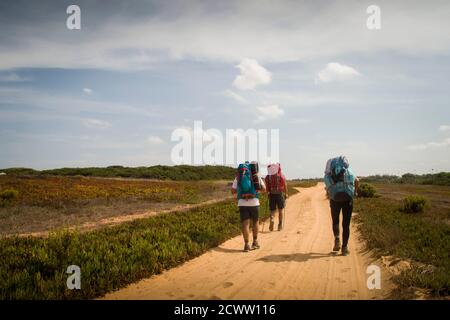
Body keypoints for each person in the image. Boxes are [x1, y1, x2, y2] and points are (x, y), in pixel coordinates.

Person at [324, 156, 359, 256]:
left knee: (335, 220)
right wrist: (355, 192)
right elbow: (357, 181)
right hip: (348, 199)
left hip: (334, 199)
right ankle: (344, 248)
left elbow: (327, 186)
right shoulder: (349, 171)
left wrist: (329, 193)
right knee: (346, 224)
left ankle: (337, 239)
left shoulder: (329, 174)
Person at [231, 162, 266, 252]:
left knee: (245, 224)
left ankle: (246, 245)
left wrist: (239, 194)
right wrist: (258, 191)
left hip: (242, 202)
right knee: (255, 222)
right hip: (254, 202)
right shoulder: (256, 175)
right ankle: (255, 242)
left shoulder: (238, 176)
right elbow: (264, 189)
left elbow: (233, 190)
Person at [265, 163, 288, 231]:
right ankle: (280, 225)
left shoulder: (268, 176)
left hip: (272, 194)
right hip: (279, 194)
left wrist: (268, 193)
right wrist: (286, 194)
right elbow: (285, 185)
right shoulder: (281, 175)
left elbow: (267, 187)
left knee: (272, 210)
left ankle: (272, 219)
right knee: (280, 210)